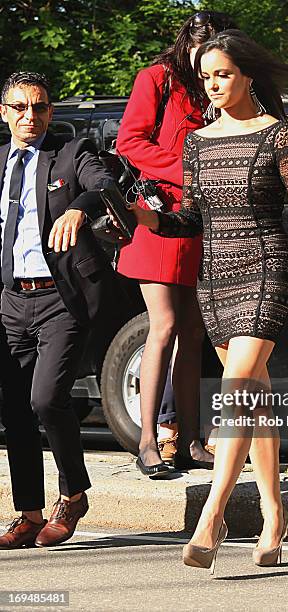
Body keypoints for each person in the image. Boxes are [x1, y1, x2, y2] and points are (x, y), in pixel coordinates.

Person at [131, 29, 288, 572]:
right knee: (256, 399)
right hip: (215, 279)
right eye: (205, 76)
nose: (213, 84)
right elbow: (193, 218)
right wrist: (154, 220)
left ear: (247, 74)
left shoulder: (278, 136)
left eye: (222, 73)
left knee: (235, 391)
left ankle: (213, 515)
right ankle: (275, 513)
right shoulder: (198, 142)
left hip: (267, 269)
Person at [0, 71, 119, 549]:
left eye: (41, 107)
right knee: (13, 409)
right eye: (21, 107)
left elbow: (105, 181)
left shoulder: (72, 152)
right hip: (9, 300)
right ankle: (27, 512)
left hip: (60, 297)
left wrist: (78, 209)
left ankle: (73, 493)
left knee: (46, 399)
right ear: (4, 112)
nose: (32, 116)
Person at [116, 10, 237, 477]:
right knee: (162, 326)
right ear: (187, 44)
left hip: (201, 221)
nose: (206, 69)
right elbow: (130, 141)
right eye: (200, 56)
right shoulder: (156, 78)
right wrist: (188, 171)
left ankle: (188, 439)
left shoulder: (217, 87)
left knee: (194, 331)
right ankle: (148, 440)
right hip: (159, 216)